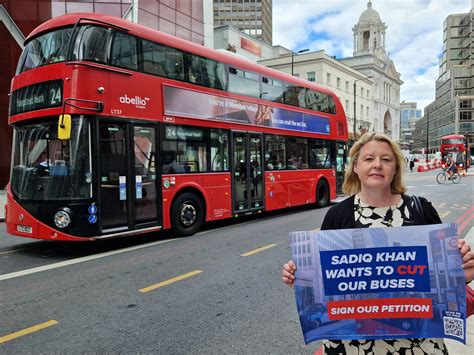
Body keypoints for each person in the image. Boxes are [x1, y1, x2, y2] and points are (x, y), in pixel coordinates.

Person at [281, 132, 474, 354]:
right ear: (355, 167)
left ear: (395, 169)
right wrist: (301, 281)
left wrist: (463, 273)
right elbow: (325, 281)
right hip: (352, 347)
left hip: (417, 344)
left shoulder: (421, 210)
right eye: (369, 158)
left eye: (386, 159)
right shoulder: (337, 215)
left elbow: (444, 278)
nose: (378, 165)